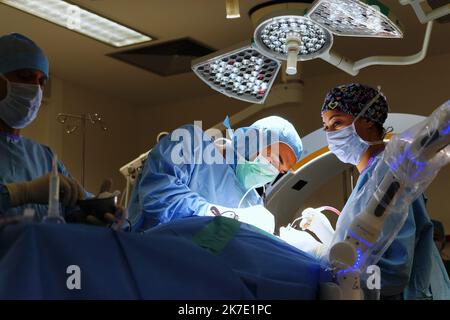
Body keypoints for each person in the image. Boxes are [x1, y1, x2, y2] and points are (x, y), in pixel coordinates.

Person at [317, 83, 450, 299]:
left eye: (337, 122)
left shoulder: (390, 173)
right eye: (326, 126)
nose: (330, 134)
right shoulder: (370, 179)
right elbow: (364, 247)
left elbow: (392, 269)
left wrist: (333, 277)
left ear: (367, 120)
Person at [0, 33, 121, 226]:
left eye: (41, 82)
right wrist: (20, 193)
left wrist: (96, 211)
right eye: (25, 77)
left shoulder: (45, 157)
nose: (35, 89)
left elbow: (70, 212)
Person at [127, 116, 303, 232]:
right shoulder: (191, 142)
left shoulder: (251, 204)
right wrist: (229, 217)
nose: (272, 172)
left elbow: (210, 246)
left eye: (280, 171)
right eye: (277, 159)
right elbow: (158, 198)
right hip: (147, 255)